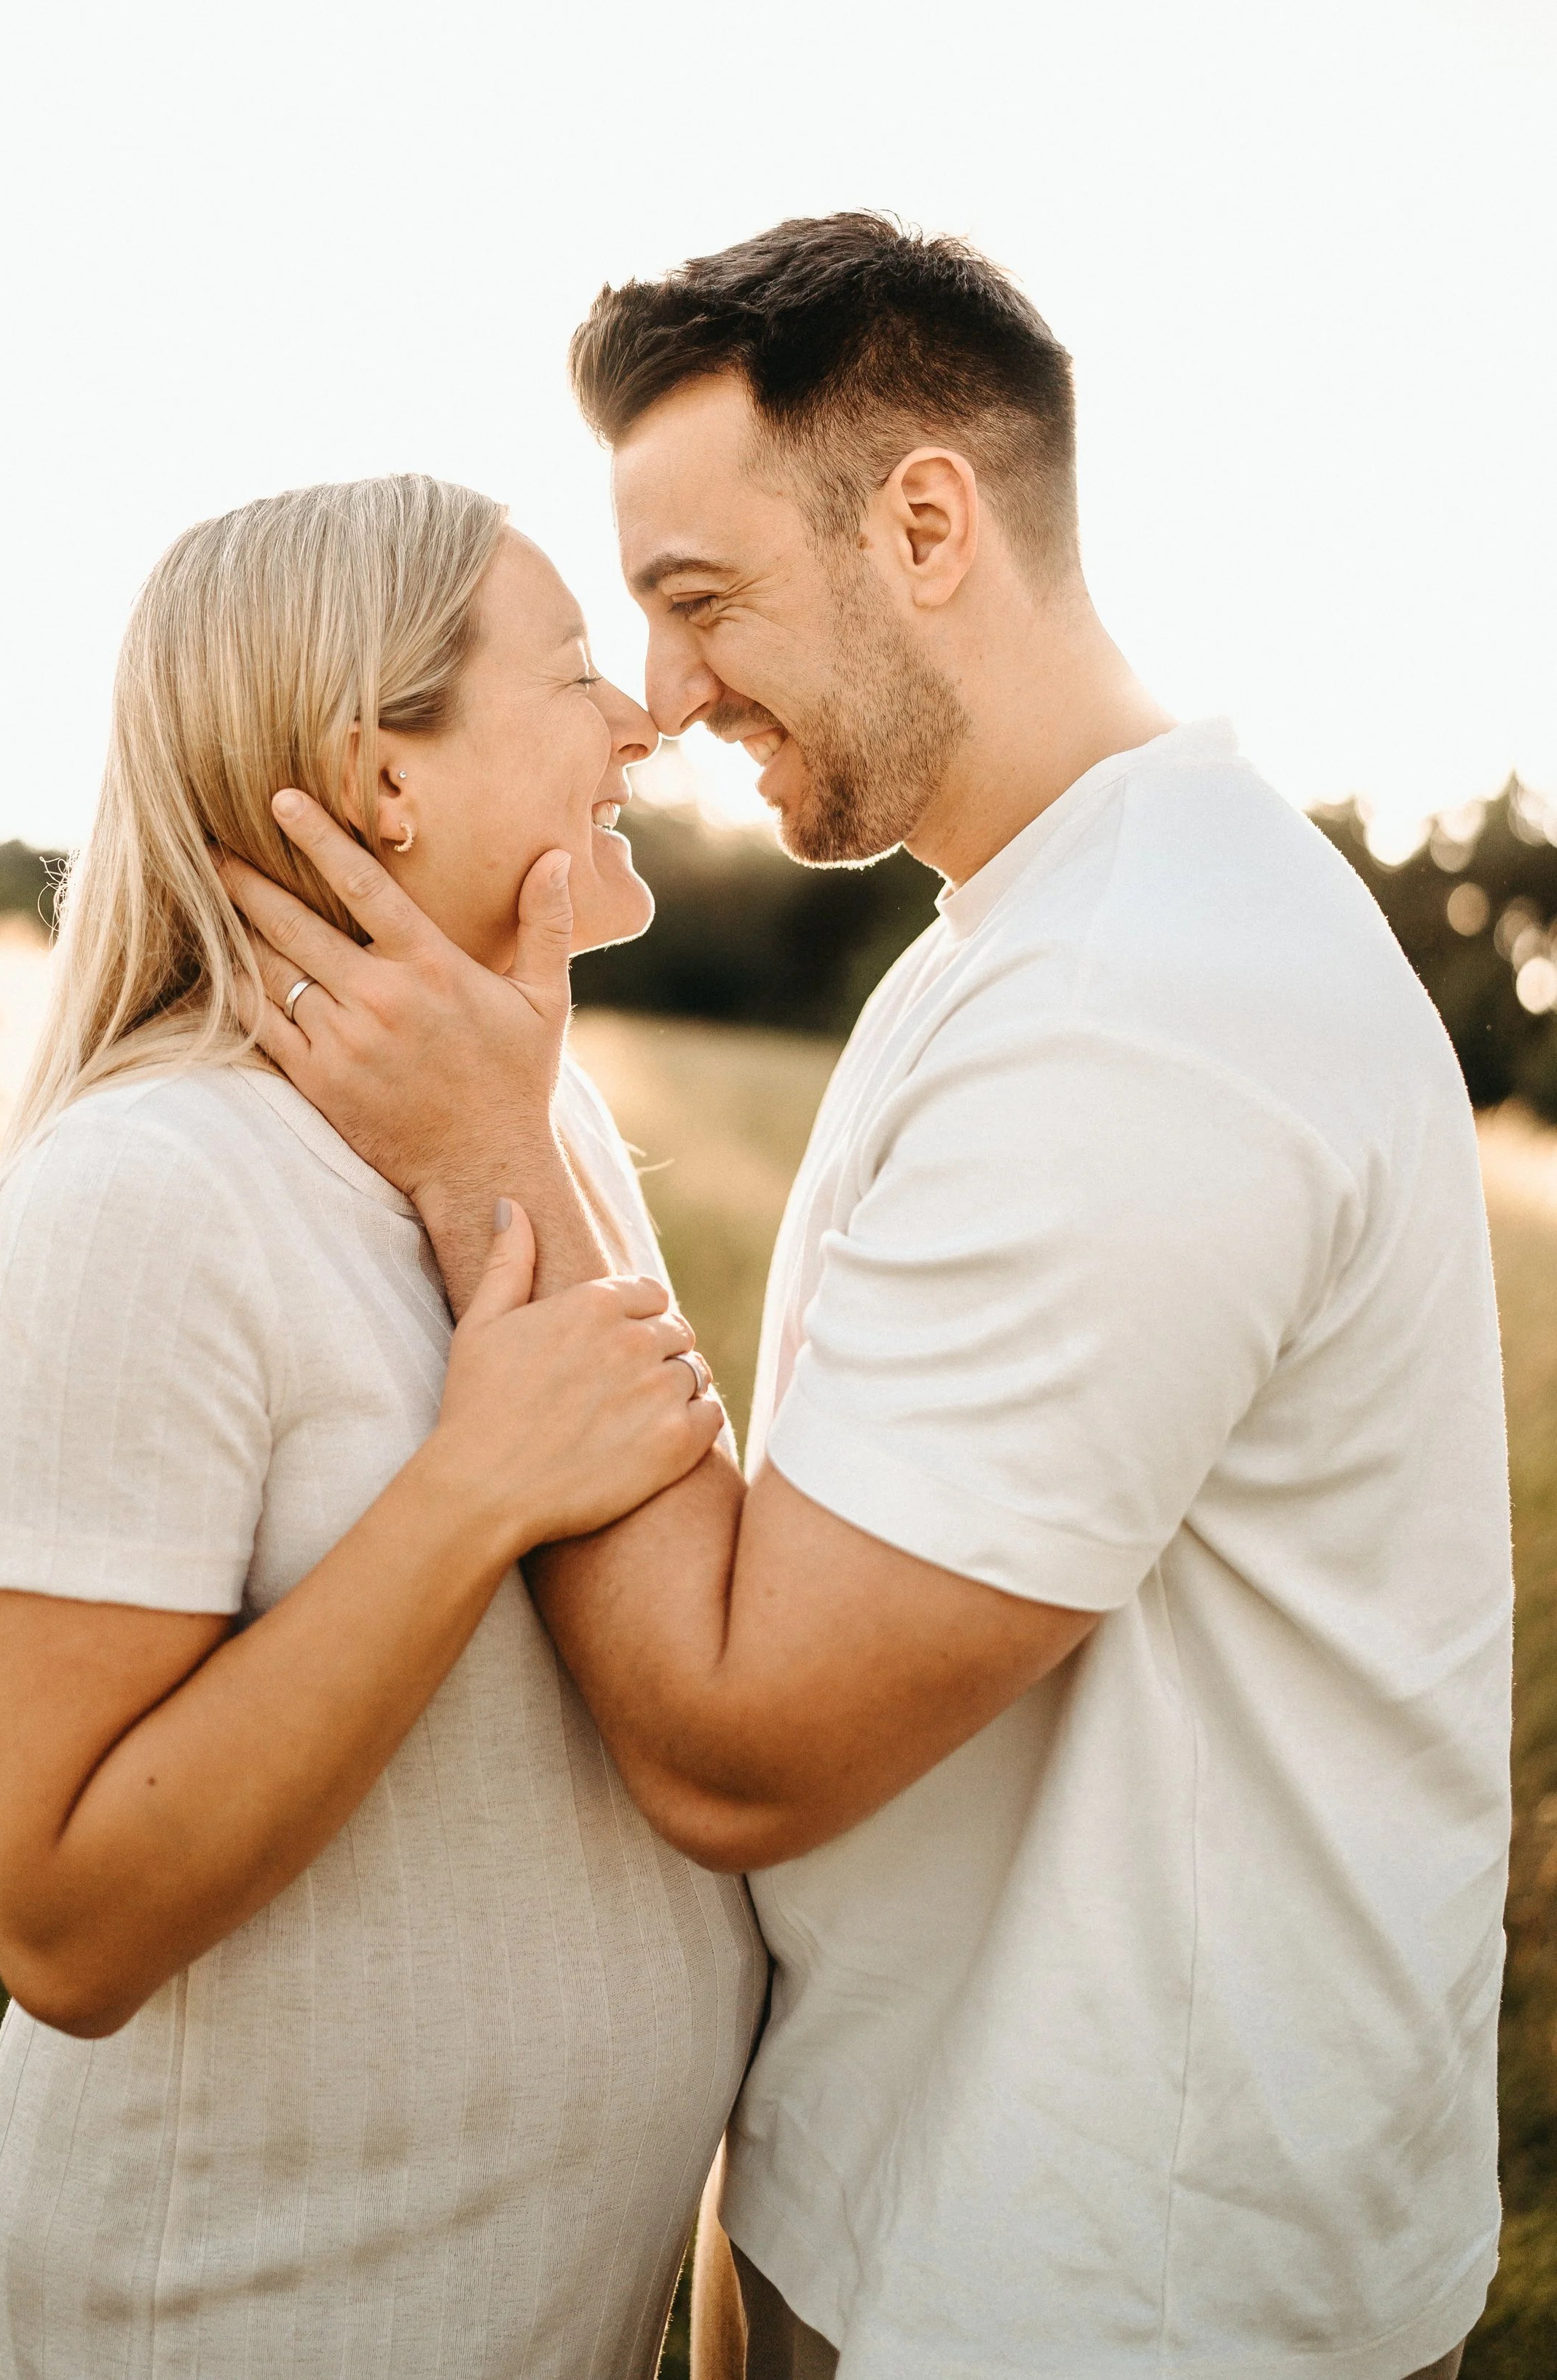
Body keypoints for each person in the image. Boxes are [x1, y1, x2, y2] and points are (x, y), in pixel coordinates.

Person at [223, 217, 1510, 2380]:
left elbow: (742, 1743)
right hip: (935, 2188)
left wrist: (489, 1149)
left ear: (925, 523)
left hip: (1108, 2287)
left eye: (701, 597)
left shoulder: (1143, 1003)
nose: (660, 695)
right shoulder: (1035, 934)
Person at [0, 474, 765, 2380]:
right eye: (571, 669)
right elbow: (61, 1921)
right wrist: (468, 1495)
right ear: (385, 779)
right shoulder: (151, 1188)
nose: (638, 717)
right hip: (256, 2304)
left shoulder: (530, 1127)